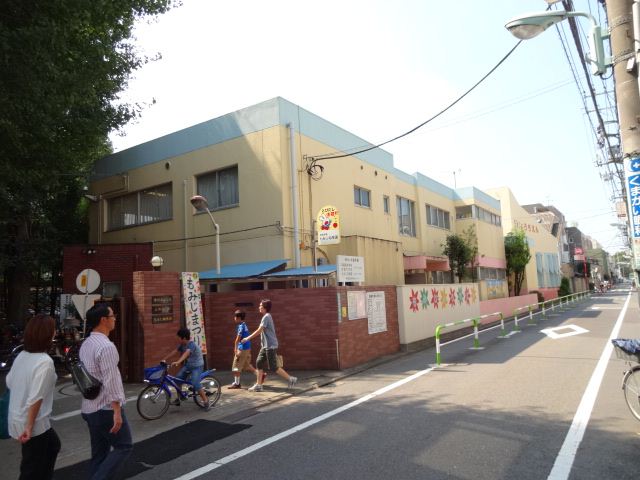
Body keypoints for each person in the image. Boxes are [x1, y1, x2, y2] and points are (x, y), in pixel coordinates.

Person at [80, 303, 132, 479]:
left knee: (99, 454)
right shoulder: (107, 347)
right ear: (103, 320)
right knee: (123, 446)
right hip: (105, 408)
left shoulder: (86, 344)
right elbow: (111, 381)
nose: (115, 318)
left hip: (89, 407)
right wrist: (116, 411)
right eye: (112, 316)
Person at [6, 314, 60, 480]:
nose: (56, 332)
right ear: (47, 334)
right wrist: (29, 427)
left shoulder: (22, 355)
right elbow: (36, 398)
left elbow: (9, 382)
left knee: (52, 446)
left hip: (18, 417)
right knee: (31, 469)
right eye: (53, 330)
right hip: (33, 423)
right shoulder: (45, 362)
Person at [241, 299, 297, 392]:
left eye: (260, 306)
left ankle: (291, 379)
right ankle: (259, 385)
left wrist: (247, 338)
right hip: (265, 346)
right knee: (259, 362)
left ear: (265, 307)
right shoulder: (266, 316)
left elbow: (259, 330)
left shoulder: (267, 316)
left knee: (273, 367)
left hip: (270, 346)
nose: (259, 307)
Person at [162, 328, 210, 410]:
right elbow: (174, 351)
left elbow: (186, 353)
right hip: (188, 365)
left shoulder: (191, 345)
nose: (177, 339)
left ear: (183, 338)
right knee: (177, 379)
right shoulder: (182, 345)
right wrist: (164, 359)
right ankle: (180, 397)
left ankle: (206, 401)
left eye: (178, 337)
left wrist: (178, 362)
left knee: (195, 382)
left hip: (197, 366)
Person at [227, 310, 257, 389]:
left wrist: (235, 350)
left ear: (239, 318)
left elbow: (237, 340)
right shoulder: (244, 325)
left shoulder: (241, 326)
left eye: (235, 317)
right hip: (247, 348)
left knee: (236, 367)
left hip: (242, 349)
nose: (234, 318)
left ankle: (237, 384)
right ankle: (260, 375)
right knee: (246, 365)